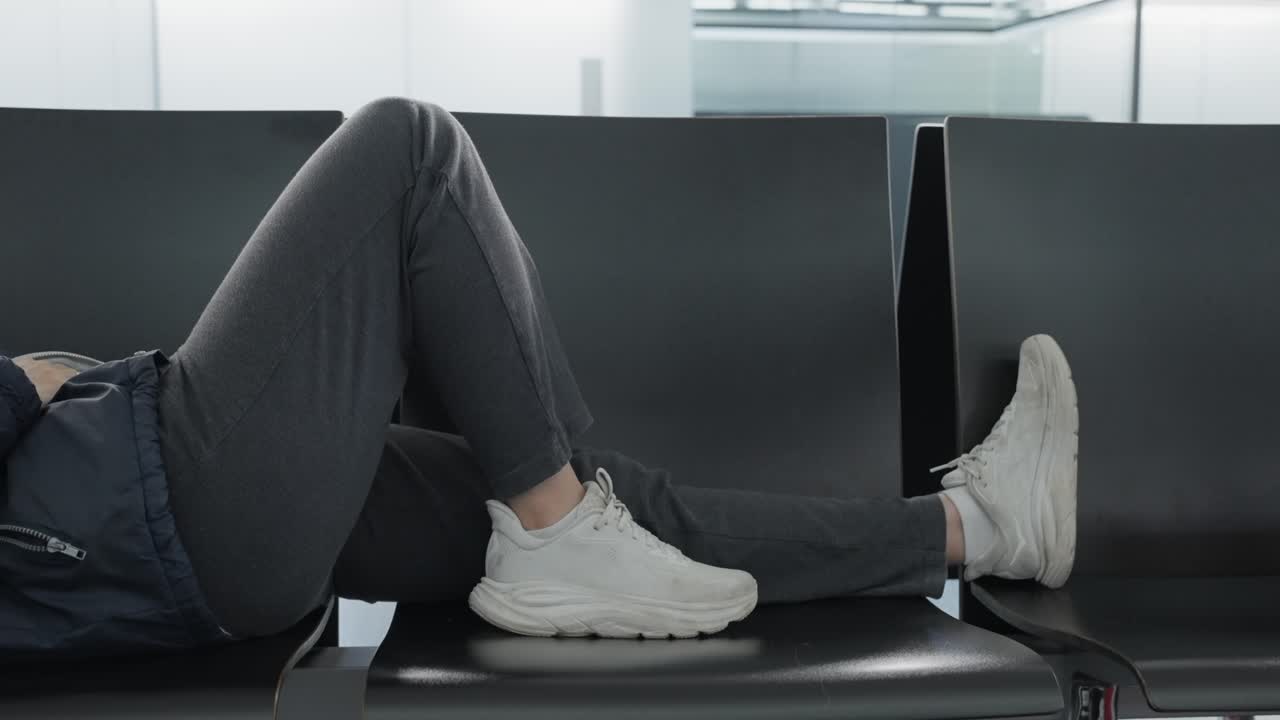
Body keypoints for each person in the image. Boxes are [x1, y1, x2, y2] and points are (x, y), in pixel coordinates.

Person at [0, 97, 1077, 655]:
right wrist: (25, 384)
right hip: (148, 512)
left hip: (144, 519)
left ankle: (979, 528)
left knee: (604, 505)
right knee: (408, 149)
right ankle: (557, 528)